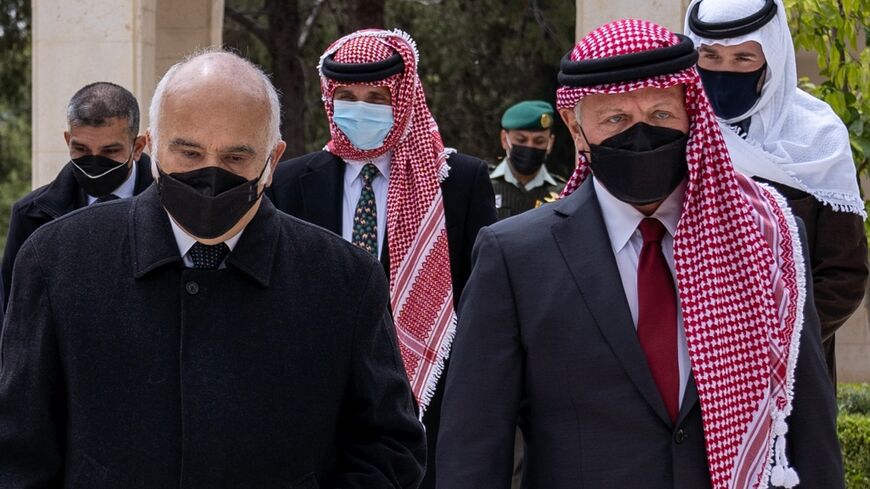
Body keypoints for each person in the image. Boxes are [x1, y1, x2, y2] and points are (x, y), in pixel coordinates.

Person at [436, 19, 843, 489]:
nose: (642, 135)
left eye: (661, 115)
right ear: (576, 126)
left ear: (692, 114)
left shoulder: (764, 236)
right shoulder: (516, 256)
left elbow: (808, 425)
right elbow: (473, 447)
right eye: (616, 119)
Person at [0, 50, 426, 488]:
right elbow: (18, 450)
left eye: (236, 158)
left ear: (272, 160)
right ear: (151, 148)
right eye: (189, 152)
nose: (210, 175)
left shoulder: (344, 279)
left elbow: (389, 448)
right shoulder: (57, 262)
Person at [267, 29, 497, 489]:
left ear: (405, 94)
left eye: (376, 96)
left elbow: (478, 297)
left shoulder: (457, 180)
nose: (361, 107)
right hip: (319, 385)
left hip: (427, 389)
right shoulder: (292, 181)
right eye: (347, 95)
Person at [685, 0, 868, 385]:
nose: (723, 71)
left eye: (743, 59)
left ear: (772, 56)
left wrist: (770, 349)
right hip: (688, 367)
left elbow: (843, 275)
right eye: (711, 56)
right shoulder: (678, 130)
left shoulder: (817, 136)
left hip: (792, 369)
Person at [1, 82, 153, 311]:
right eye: (81, 149)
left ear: (138, 147)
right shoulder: (31, 215)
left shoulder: (173, 207)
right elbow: (15, 312)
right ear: (67, 140)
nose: (94, 161)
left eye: (110, 151)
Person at [490, 100, 565, 219]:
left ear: (550, 143)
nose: (530, 146)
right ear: (504, 139)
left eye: (539, 141)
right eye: (521, 140)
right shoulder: (484, 186)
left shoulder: (563, 194)